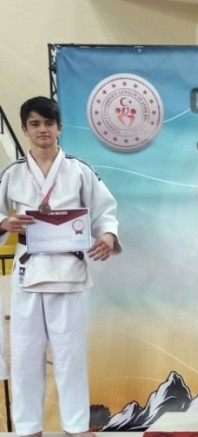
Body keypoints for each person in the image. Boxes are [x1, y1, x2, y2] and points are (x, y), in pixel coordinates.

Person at [0, 96, 121, 437]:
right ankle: (28, 428)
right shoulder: (11, 173)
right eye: (35, 124)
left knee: (70, 355)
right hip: (28, 271)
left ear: (59, 128)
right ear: (24, 129)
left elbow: (105, 210)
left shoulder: (79, 170)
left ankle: (76, 425)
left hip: (69, 272)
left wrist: (107, 236)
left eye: (48, 123)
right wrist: (5, 223)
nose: (43, 129)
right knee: (25, 355)